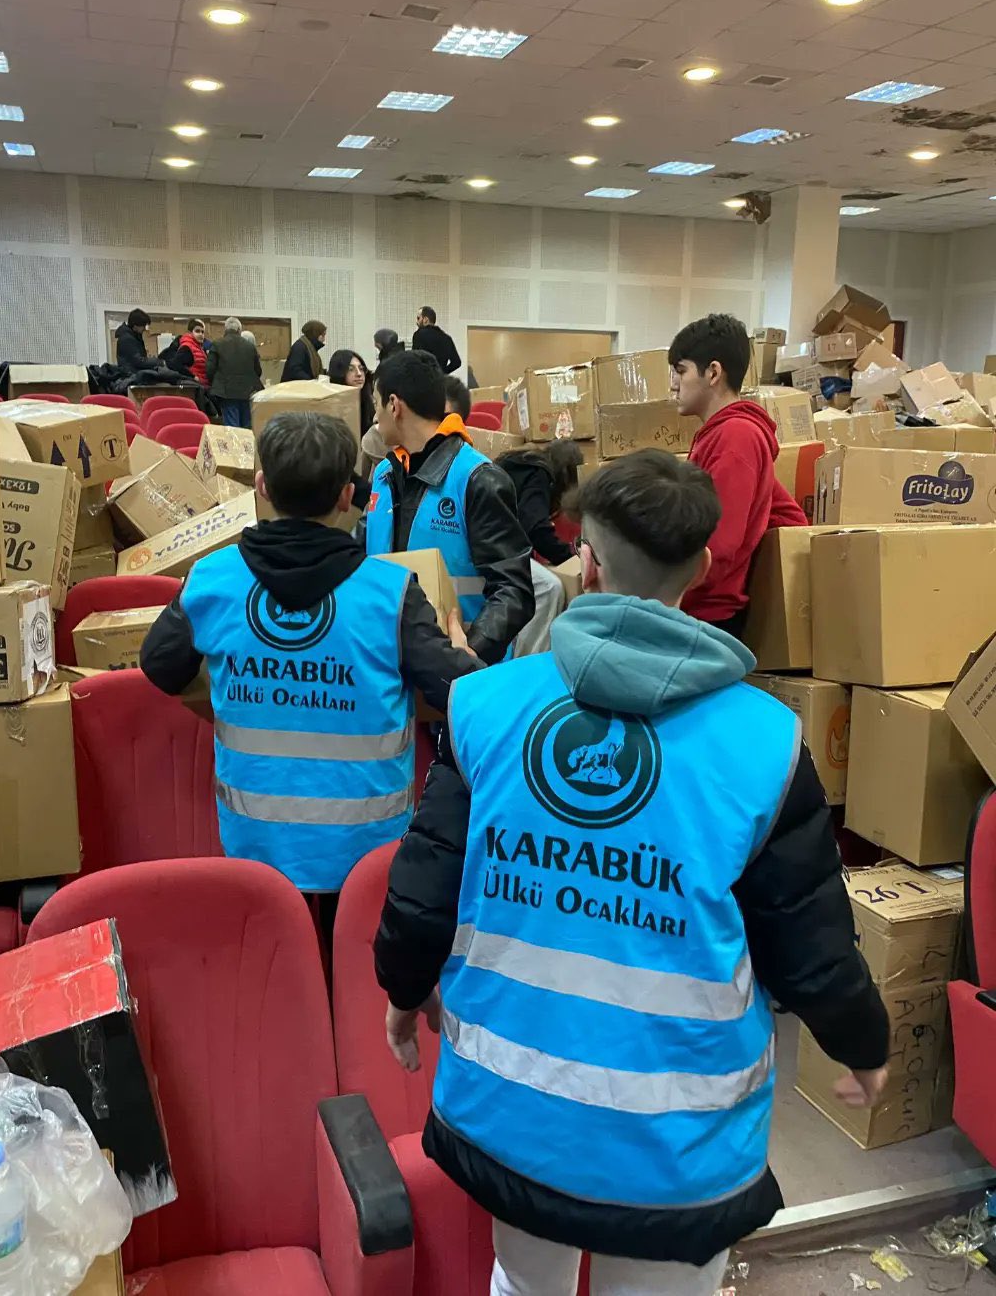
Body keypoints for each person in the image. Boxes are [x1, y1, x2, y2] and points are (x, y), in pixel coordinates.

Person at [374, 449, 891, 1296]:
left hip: (517, 1108)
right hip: (677, 1138)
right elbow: (811, 939)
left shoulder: (487, 706)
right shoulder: (765, 742)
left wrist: (403, 991)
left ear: (588, 563)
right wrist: (863, 1045)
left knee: (523, 1283)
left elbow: (424, 888)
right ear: (704, 567)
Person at [140, 411, 481, 895]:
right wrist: (461, 651)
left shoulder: (211, 579)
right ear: (347, 495)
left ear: (261, 487)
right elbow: (463, 696)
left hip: (254, 846)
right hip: (369, 855)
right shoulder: (391, 593)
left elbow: (160, 667)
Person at [365, 350, 534, 666]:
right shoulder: (385, 475)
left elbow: (513, 591)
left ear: (393, 405)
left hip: (463, 669)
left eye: (376, 404)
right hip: (388, 659)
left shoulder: (478, 479)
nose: (375, 418)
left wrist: (471, 653)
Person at [670, 314, 807, 638]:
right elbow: (786, 515)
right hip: (695, 605)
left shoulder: (736, 436)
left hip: (707, 616)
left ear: (713, 372)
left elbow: (719, 545)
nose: (673, 384)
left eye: (680, 371)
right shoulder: (722, 434)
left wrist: (658, 590)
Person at [497, 440, 583, 567]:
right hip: (497, 551)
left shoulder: (523, 465)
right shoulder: (539, 473)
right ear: (566, 474)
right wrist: (568, 556)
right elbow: (536, 529)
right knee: (551, 580)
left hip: (485, 541)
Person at [206, 317, 263, 429]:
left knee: (232, 427)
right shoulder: (250, 346)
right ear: (239, 330)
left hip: (226, 392)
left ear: (225, 329)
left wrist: (217, 383)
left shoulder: (217, 344)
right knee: (246, 427)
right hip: (247, 392)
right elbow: (258, 371)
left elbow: (210, 370)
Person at [328, 348, 374, 438]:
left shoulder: (369, 399)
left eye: (361, 368)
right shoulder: (332, 405)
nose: (359, 374)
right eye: (351, 369)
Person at [412, 306, 461, 375]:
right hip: (440, 380)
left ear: (425, 319)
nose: (417, 322)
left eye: (418, 318)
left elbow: (414, 360)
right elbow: (457, 362)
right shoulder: (447, 338)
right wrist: (442, 373)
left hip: (423, 378)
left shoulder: (418, 335)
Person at [170, 318, 208, 386]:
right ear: (190, 333)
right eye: (197, 331)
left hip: (203, 385)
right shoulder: (187, 347)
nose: (201, 334)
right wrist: (193, 377)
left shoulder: (200, 348)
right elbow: (176, 364)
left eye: (202, 332)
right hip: (195, 386)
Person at [115, 308, 152, 373]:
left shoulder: (135, 337)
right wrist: (157, 362)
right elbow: (138, 361)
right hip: (131, 375)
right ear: (135, 326)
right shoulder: (127, 339)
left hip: (134, 374)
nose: (144, 329)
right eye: (143, 326)